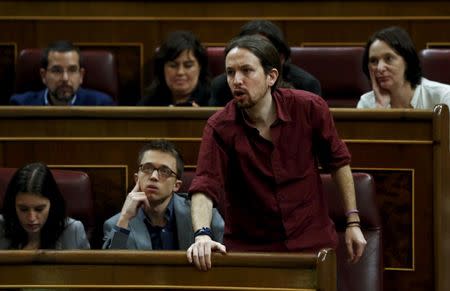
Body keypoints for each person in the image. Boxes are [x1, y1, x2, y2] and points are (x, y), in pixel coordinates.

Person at [186, 35, 366, 271]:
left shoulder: (309, 108)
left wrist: (353, 221)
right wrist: (202, 234)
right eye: (230, 73)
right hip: (251, 251)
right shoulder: (219, 127)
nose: (236, 81)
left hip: (312, 243)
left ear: (271, 76)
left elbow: (338, 162)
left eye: (246, 71)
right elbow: (204, 185)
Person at [103, 139, 223, 250]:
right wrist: (124, 218)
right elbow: (110, 269)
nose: (154, 177)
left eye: (165, 171)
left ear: (176, 185)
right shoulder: (116, 223)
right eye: (147, 168)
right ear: (136, 179)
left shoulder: (205, 217)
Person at [208, 20, 321, 106]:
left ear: (281, 57)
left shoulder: (306, 84)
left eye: (247, 70)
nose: (237, 81)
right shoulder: (221, 85)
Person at [0, 162, 90, 249]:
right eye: (23, 209)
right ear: (12, 205)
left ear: (52, 204)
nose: (31, 218)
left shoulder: (73, 230)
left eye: (39, 209)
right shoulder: (1, 226)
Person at [357, 26, 450, 109]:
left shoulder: (443, 96)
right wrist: (380, 108)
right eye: (374, 61)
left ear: (407, 61)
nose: (380, 68)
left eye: (388, 58)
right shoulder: (366, 103)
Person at [10, 40, 115, 106]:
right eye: (57, 71)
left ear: (81, 76)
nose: (65, 78)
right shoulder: (21, 105)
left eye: (72, 70)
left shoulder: (101, 105)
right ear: (43, 76)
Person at [138, 31, 211, 107]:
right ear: (162, 68)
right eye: (173, 65)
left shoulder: (214, 100)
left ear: (200, 67)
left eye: (188, 66)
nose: (180, 72)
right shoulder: (150, 100)